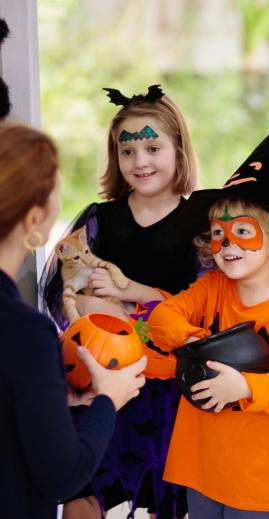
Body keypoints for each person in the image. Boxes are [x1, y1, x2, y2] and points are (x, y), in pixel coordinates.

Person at [40, 86, 200, 518]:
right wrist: (100, 312)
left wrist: (128, 304)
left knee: (161, 497)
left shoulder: (198, 228)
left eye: (152, 146)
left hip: (167, 392)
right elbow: (63, 296)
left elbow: (199, 314)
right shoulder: (99, 221)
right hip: (98, 377)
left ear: (180, 150)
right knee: (87, 490)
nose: (140, 161)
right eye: (126, 150)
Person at [147, 121, 269, 518]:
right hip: (200, 466)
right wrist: (192, 338)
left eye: (243, 231)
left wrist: (244, 386)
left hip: (255, 477)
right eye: (219, 234)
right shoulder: (212, 288)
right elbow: (164, 316)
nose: (228, 244)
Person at [0, 122, 147, 519]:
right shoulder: (25, 332)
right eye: (56, 192)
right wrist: (107, 399)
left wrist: (48, 402)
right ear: (34, 220)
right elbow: (64, 477)